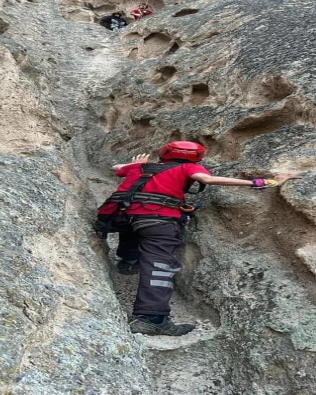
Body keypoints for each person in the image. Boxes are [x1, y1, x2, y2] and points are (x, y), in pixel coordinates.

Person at [95, 141, 301, 336]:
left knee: (134, 228)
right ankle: (151, 319)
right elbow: (207, 180)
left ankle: (128, 262)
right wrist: (262, 182)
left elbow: (116, 167)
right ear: (197, 158)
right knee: (159, 264)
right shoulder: (187, 169)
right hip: (159, 221)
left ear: (165, 153)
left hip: (120, 216)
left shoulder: (142, 167)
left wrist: (135, 164)